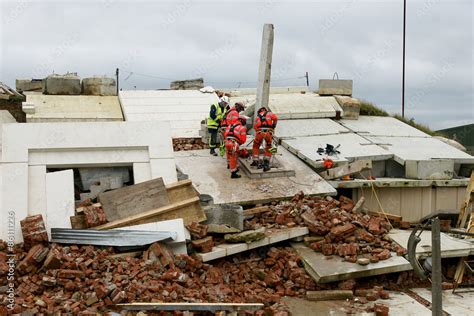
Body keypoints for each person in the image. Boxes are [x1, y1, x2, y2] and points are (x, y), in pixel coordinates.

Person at [252, 106, 278, 172]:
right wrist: (273, 126)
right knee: (269, 146)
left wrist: (259, 133)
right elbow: (275, 118)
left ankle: (255, 160)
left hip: (259, 133)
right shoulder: (269, 114)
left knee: (256, 146)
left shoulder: (257, 117)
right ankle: (266, 162)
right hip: (268, 133)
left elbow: (255, 127)